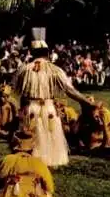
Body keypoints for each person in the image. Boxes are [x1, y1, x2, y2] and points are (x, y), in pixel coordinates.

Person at [9, 27, 98, 167]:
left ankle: (32, 163)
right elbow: (70, 90)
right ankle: (44, 166)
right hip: (49, 109)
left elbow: (14, 88)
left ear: (31, 52)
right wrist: (87, 102)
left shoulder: (24, 69)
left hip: (30, 110)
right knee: (48, 140)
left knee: (30, 140)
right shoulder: (55, 70)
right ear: (47, 53)